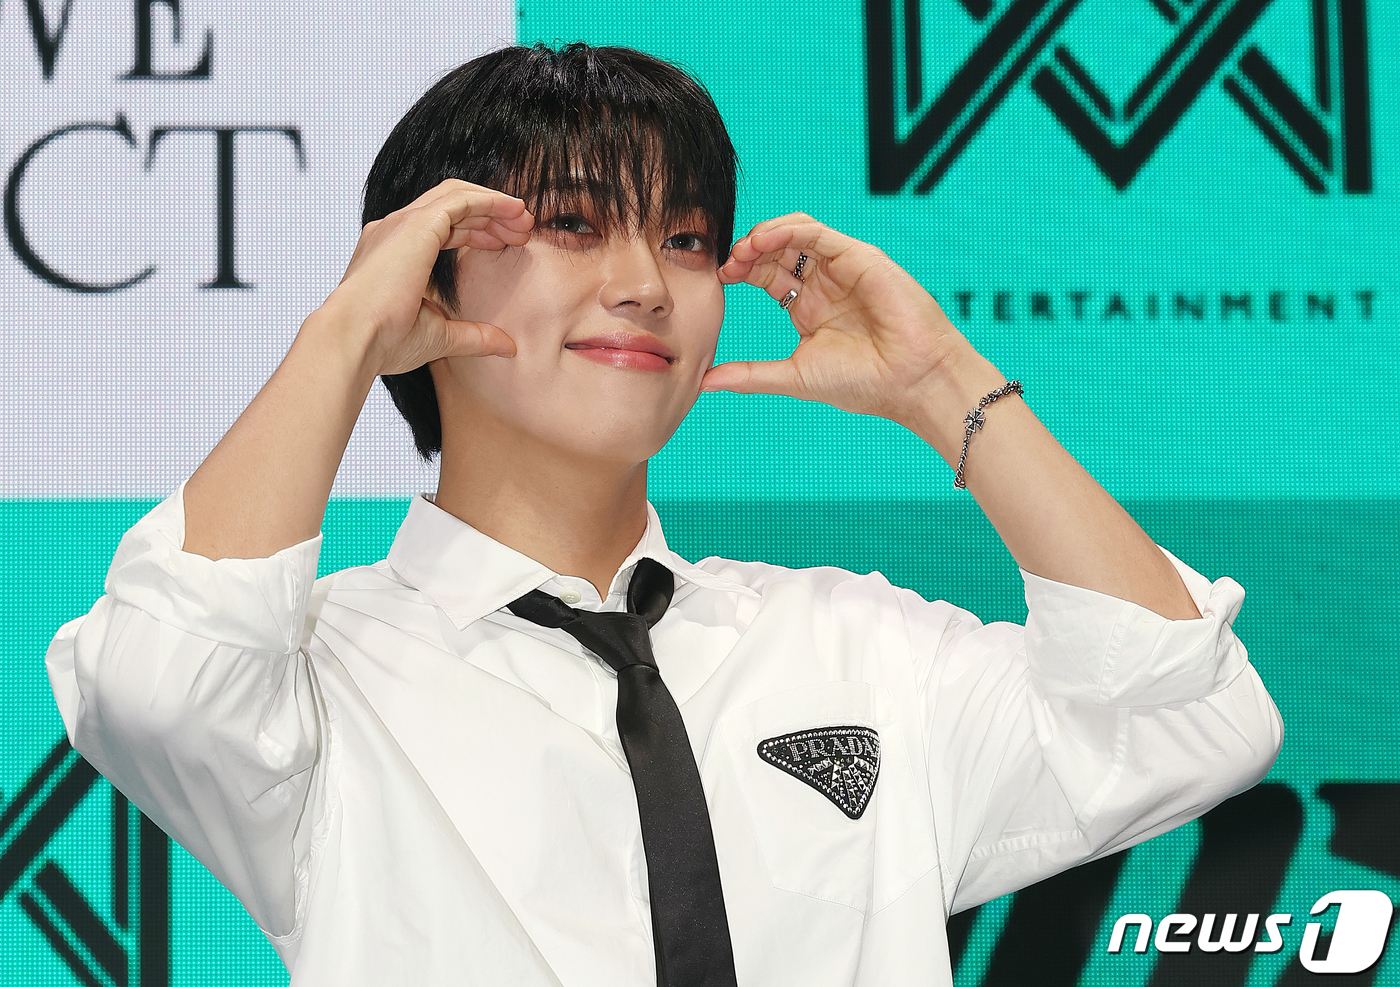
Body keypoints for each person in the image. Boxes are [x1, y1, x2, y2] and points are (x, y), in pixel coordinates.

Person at [46, 42, 1282, 987]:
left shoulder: (855, 646)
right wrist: (341, 338)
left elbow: (1192, 719)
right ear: (426, 272)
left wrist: (939, 383)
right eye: (572, 223)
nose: (643, 283)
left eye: (686, 239)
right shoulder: (320, 677)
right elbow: (160, 682)